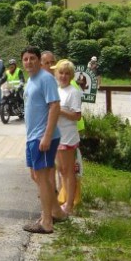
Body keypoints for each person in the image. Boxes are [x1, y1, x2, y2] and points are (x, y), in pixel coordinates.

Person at [21, 46, 66, 234]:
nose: (29, 62)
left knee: (43, 177)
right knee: (39, 177)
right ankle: (56, 211)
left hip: (42, 137)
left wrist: (47, 136)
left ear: (39, 60)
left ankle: (46, 222)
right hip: (33, 137)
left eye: (32, 58)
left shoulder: (46, 79)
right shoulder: (31, 80)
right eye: (25, 59)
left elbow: (55, 106)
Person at [54, 60, 82, 215]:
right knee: (62, 170)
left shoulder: (73, 92)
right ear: (56, 74)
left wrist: (60, 111)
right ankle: (64, 199)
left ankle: (70, 204)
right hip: (57, 136)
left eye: (67, 73)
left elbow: (77, 116)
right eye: (61, 73)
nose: (63, 76)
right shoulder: (57, 90)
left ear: (71, 76)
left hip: (68, 137)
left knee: (69, 171)